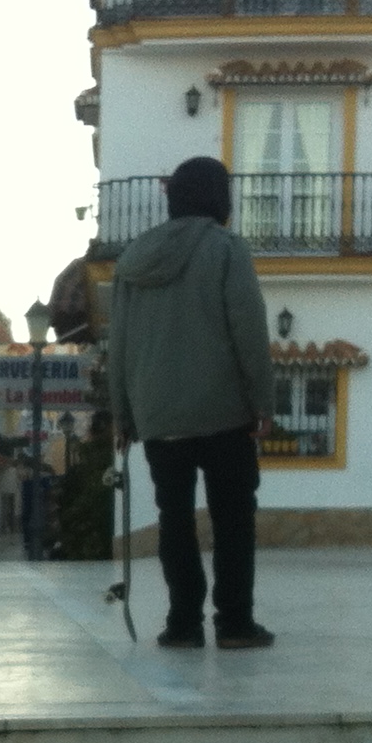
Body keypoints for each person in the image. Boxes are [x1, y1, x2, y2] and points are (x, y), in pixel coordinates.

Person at [106, 156, 276, 650]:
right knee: (233, 520)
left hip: (159, 416)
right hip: (224, 412)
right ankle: (235, 624)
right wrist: (262, 402)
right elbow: (248, 329)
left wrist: (122, 414)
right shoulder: (226, 250)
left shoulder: (133, 260)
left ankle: (182, 624)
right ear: (219, 197)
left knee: (173, 519)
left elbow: (120, 342)